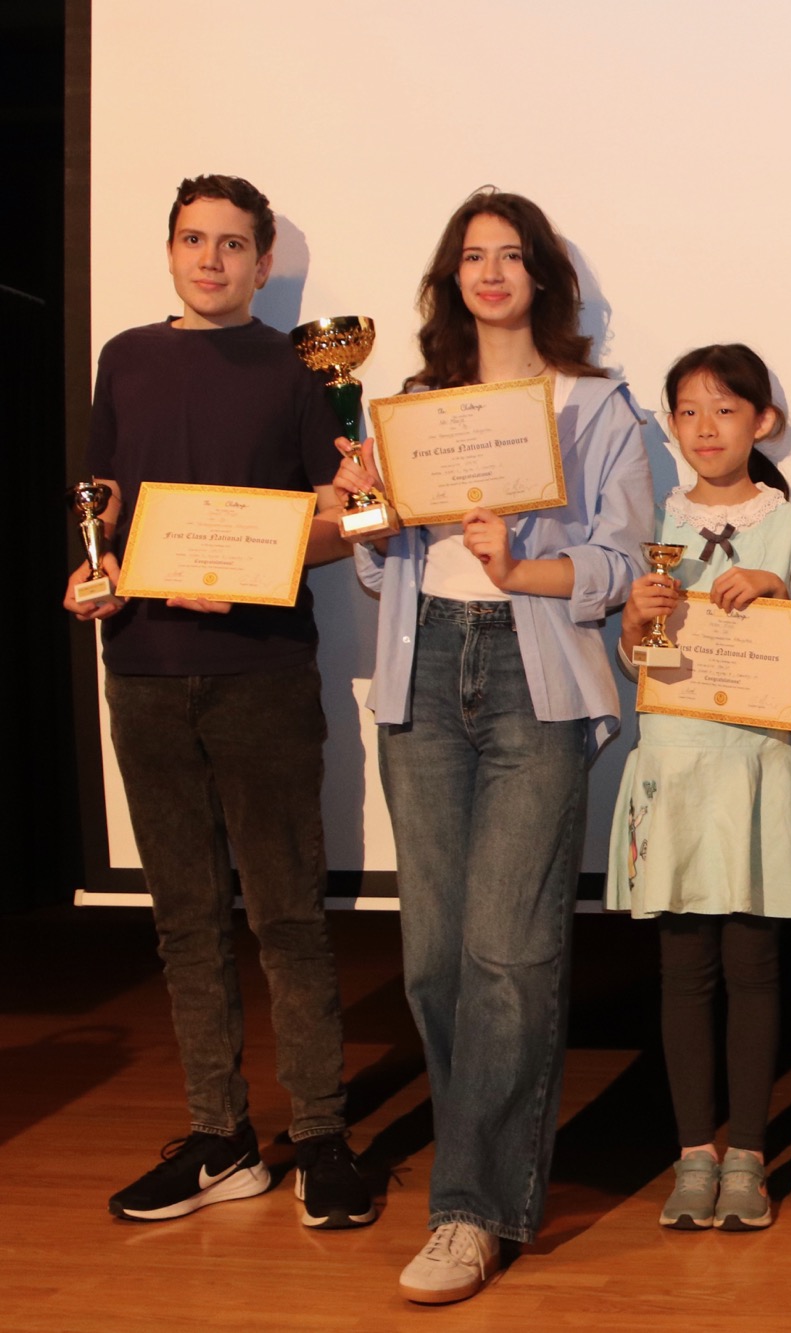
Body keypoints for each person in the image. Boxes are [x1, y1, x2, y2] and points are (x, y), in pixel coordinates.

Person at [335, 188, 651, 1303]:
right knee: (433, 960)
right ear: (451, 278)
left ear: (542, 276)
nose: (491, 271)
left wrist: (523, 567)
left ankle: (470, 1209)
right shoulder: (416, 405)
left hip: (533, 674)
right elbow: (376, 563)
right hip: (424, 668)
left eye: (511, 254)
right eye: (473, 255)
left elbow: (625, 560)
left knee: (509, 956)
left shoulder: (598, 406)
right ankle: (476, 1170)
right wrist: (367, 506)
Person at [66, 174, 374, 1231]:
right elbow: (103, 500)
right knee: (186, 919)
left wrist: (261, 566)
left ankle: (323, 1137)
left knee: (288, 914)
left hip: (262, 672)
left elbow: (341, 524)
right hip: (144, 669)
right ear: (169, 250)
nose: (211, 259)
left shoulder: (300, 370)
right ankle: (221, 1139)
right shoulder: (125, 357)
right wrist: (97, 566)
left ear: (262, 261)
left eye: (233, 244)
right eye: (194, 240)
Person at [607, 344, 791, 1231]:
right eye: (689, 411)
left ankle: (748, 1155)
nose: (706, 428)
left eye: (726, 409)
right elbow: (637, 660)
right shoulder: (650, 520)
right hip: (674, 760)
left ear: (763, 421)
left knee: (753, 965)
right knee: (683, 971)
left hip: (752, 764)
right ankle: (692, 1153)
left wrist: (778, 593)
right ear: (672, 425)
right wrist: (637, 622)